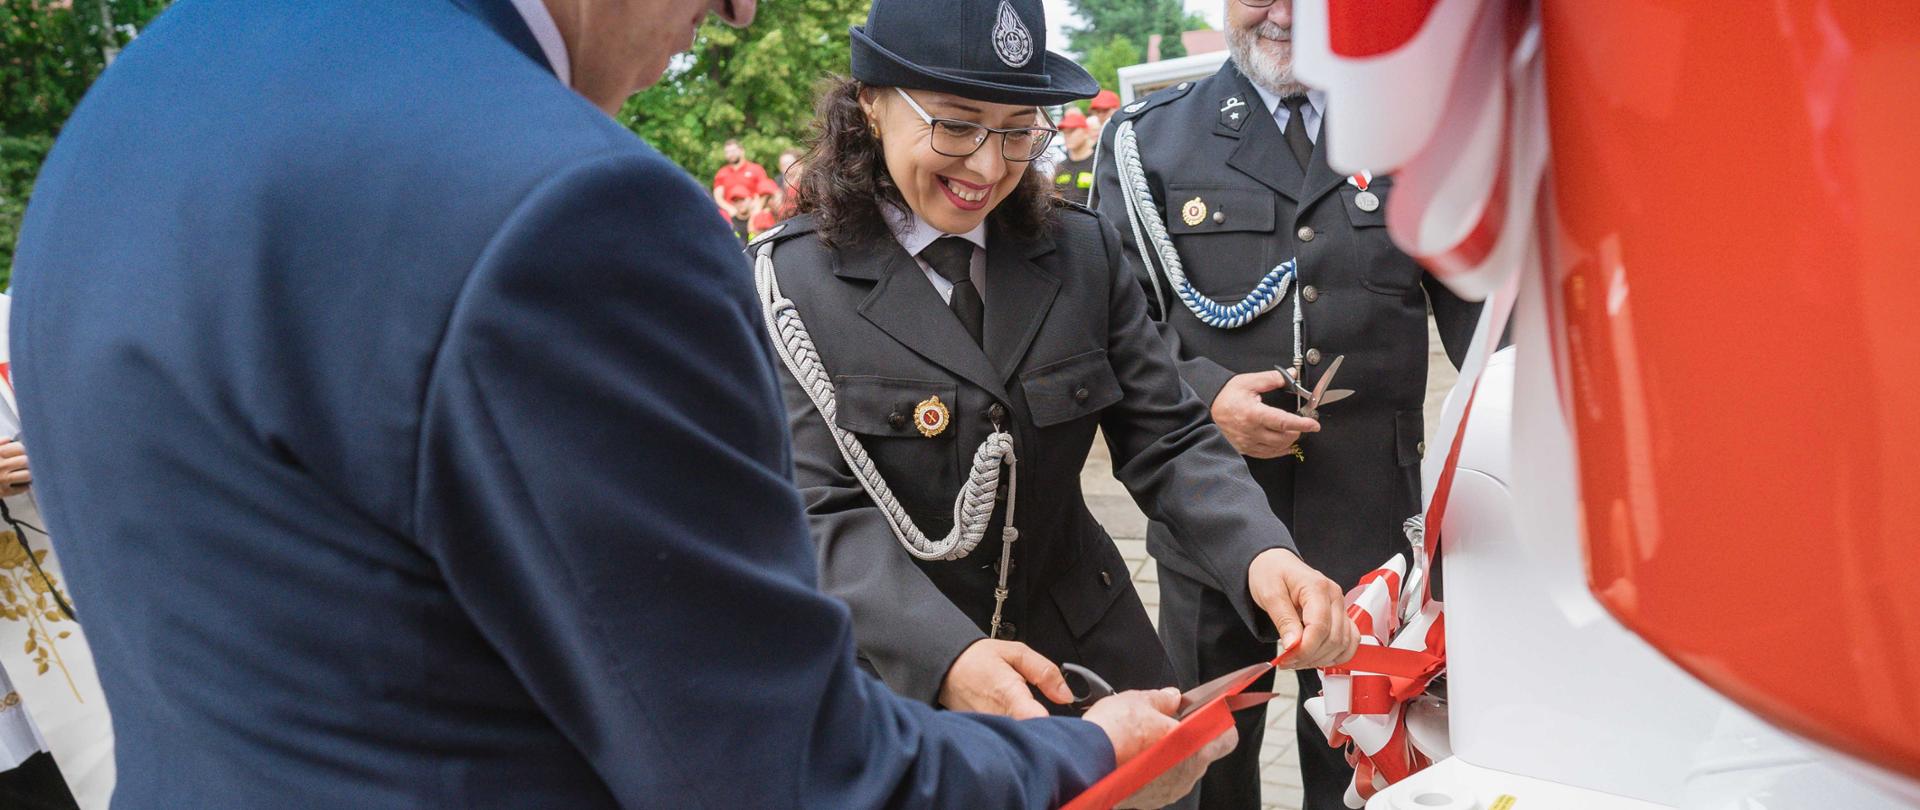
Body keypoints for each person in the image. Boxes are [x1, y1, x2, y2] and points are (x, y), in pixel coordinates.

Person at [9, 0, 1195, 806]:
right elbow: (769, 766)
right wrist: (1073, 757)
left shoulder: (141, 100)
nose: (736, 11)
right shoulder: (562, 205)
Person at [761, 0, 1357, 752]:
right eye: (956, 124)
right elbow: (814, 510)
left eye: (1018, 132)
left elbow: (1166, 435)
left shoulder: (1076, 252)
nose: (986, 167)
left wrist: (1261, 553)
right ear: (873, 104)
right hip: (900, 683)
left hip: (1092, 658)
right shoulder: (792, 288)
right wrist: (947, 654)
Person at [1090, 1, 1480, 807]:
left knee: (1357, 767)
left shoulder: (1413, 131)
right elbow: (1111, 324)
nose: (1281, 12)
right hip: (1211, 529)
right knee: (1206, 766)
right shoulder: (1150, 142)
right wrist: (1206, 399)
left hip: (1369, 529)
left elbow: (1485, 324)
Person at [713, 137, 769, 244]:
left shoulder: (756, 169)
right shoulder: (722, 173)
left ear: (741, 150)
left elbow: (764, 192)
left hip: (754, 214)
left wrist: (756, 211)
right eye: (727, 152)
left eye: (733, 151)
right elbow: (718, 196)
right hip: (733, 216)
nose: (731, 154)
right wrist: (730, 210)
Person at [1051, 109, 1097, 205]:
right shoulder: (1060, 167)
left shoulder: (1098, 163)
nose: (1067, 136)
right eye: (1065, 132)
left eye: (1072, 131)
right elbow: (1055, 197)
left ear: (1086, 132)